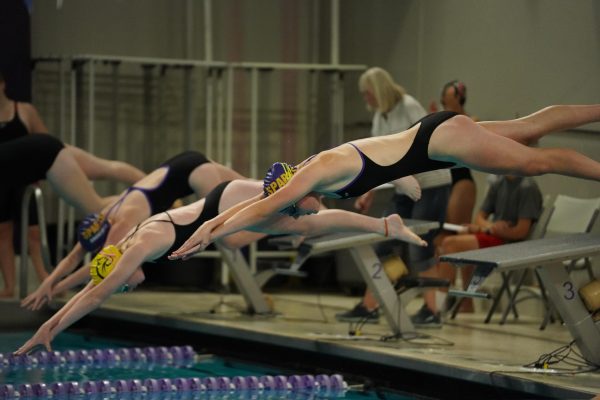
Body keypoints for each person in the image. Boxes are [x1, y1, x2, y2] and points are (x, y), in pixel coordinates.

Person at [15, 179, 424, 352]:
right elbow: (93, 287)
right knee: (312, 223)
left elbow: (97, 293)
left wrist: (51, 327)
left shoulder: (140, 247)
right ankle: (385, 223)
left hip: (226, 205)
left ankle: (386, 182)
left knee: (310, 198)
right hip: (223, 213)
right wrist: (47, 326)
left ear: (120, 267)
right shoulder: (129, 248)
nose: (127, 287)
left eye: (124, 283)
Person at [169, 104, 600, 261]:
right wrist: (399, 182)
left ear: (296, 193)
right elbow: (379, 155)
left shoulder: (319, 172)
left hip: (441, 140)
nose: (303, 214)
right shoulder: (322, 173)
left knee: (536, 162)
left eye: (296, 207)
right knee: (528, 128)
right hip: (434, 140)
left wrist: (205, 233)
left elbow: (260, 208)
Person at [20, 151, 246, 310]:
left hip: (196, 173)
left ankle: (274, 226)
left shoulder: (122, 224)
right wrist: (47, 284)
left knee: (231, 239)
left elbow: (96, 267)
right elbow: (72, 258)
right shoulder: (106, 214)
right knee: (258, 188)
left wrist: (58, 286)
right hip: (186, 161)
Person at [0, 70, 146, 297]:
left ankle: (147, 198)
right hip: (46, 147)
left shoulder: (24, 111)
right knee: (106, 168)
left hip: (47, 158)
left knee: (96, 208)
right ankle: (155, 187)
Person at [337, 67, 452, 323]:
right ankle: (372, 304)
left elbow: (428, 143)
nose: (365, 99)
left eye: (366, 93)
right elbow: (378, 158)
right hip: (404, 187)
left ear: (377, 90)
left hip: (431, 185)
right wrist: (367, 191)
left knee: (420, 248)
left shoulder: (409, 106)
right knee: (385, 243)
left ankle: (433, 310)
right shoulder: (381, 115)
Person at [414, 175, 542, 327]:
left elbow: (521, 231)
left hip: (511, 244)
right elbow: (479, 218)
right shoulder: (498, 182)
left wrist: (489, 229)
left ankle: (436, 308)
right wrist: (489, 228)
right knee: (452, 241)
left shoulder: (527, 187)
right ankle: (460, 302)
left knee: (450, 244)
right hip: (495, 235)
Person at [413, 80, 479, 325]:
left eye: (447, 96)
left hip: (462, 184)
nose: (443, 99)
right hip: (448, 183)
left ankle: (464, 300)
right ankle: (459, 300)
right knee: (446, 242)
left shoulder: (467, 121)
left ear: (458, 98)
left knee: (454, 241)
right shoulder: (444, 119)